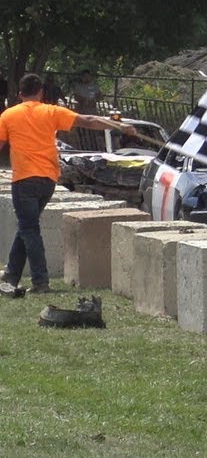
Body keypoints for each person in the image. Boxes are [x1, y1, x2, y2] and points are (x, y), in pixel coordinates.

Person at [0, 73, 134, 293]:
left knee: (29, 228)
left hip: (23, 179)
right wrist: (118, 126)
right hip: (48, 179)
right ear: (41, 93)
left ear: (19, 93)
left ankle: (40, 281)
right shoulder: (52, 111)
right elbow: (88, 120)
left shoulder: (8, 115)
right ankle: (12, 275)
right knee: (26, 226)